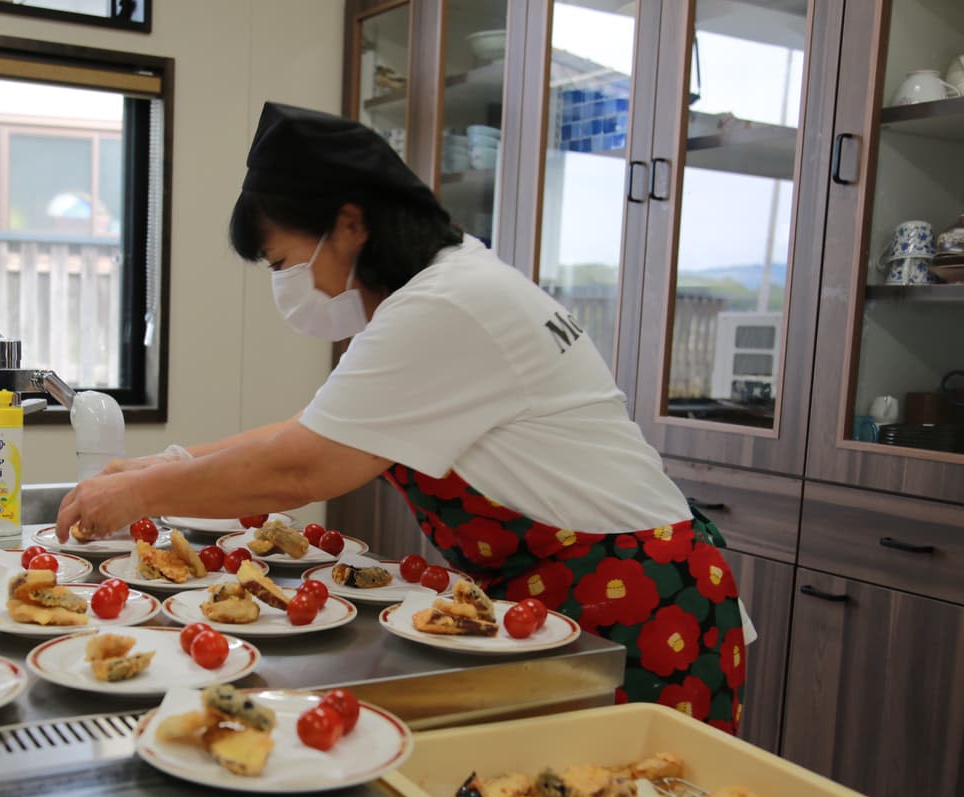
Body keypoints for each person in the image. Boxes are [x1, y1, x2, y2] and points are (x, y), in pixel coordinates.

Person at [57, 101, 749, 733]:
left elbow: (303, 465)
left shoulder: (444, 305)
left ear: (351, 223)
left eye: (284, 261)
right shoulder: (441, 288)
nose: (289, 285)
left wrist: (140, 493)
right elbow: (319, 424)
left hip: (636, 603)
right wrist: (173, 462)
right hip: (581, 589)